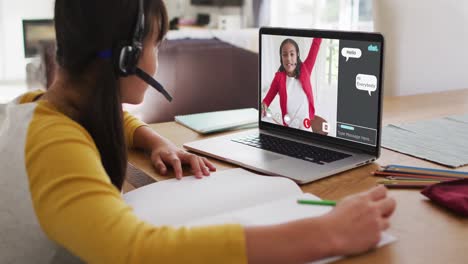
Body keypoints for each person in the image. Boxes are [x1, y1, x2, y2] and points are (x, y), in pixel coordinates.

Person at [0, 0, 396, 263]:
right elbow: (135, 253)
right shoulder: (55, 146)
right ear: (128, 56)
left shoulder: (40, 108)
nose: (157, 58)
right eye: (158, 43)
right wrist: (328, 233)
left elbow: (104, 117)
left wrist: (152, 138)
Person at [262, 38, 322, 131]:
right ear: (281, 57)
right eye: (284, 55)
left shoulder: (305, 69)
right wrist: (263, 107)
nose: (288, 58)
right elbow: (267, 100)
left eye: (292, 54)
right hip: (289, 130)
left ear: (297, 55)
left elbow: (315, 46)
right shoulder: (278, 78)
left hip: (305, 128)